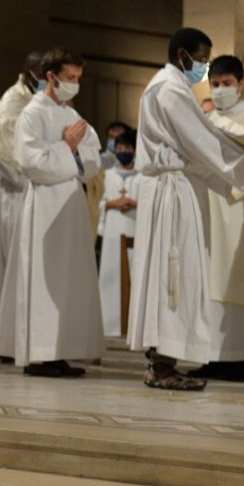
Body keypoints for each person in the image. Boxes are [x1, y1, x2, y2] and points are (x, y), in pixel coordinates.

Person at [127, 28, 244, 391]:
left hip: (177, 184)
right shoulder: (170, 89)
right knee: (174, 272)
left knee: (173, 274)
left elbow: (199, 148)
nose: (203, 68)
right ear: (182, 55)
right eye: (201, 59)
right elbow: (203, 141)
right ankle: (161, 364)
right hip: (172, 191)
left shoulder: (169, 85)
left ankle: (162, 362)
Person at [0, 48, 105, 376]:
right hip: (44, 203)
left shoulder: (71, 114)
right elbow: (31, 163)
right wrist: (67, 148)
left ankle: (61, 351)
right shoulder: (32, 113)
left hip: (70, 201)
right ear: (51, 77)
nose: (75, 85)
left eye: (79, 79)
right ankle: (40, 354)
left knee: (69, 277)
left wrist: (74, 155)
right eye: (70, 78)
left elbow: (93, 158)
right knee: (45, 276)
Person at [190, 56, 244, 380]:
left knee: (237, 279)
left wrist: (233, 181)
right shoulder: (204, 122)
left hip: (241, 214)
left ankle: (239, 357)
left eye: (227, 84)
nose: (221, 90)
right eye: (215, 84)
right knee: (208, 281)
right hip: (208, 210)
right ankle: (210, 354)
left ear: (242, 85)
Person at [0, 52, 42, 344]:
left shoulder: (37, 102)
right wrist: (25, 177)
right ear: (28, 71)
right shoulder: (12, 102)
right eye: (41, 70)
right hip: (13, 193)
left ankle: (25, 331)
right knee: (8, 262)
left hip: (32, 190)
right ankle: (2, 335)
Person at [97, 129, 140, 337]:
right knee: (110, 276)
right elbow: (97, 203)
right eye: (120, 148)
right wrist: (114, 203)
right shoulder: (107, 175)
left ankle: (132, 325)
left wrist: (134, 202)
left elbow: (150, 202)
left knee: (134, 276)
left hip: (134, 229)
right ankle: (109, 325)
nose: (123, 152)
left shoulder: (142, 176)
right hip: (113, 232)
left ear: (135, 150)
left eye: (127, 148)